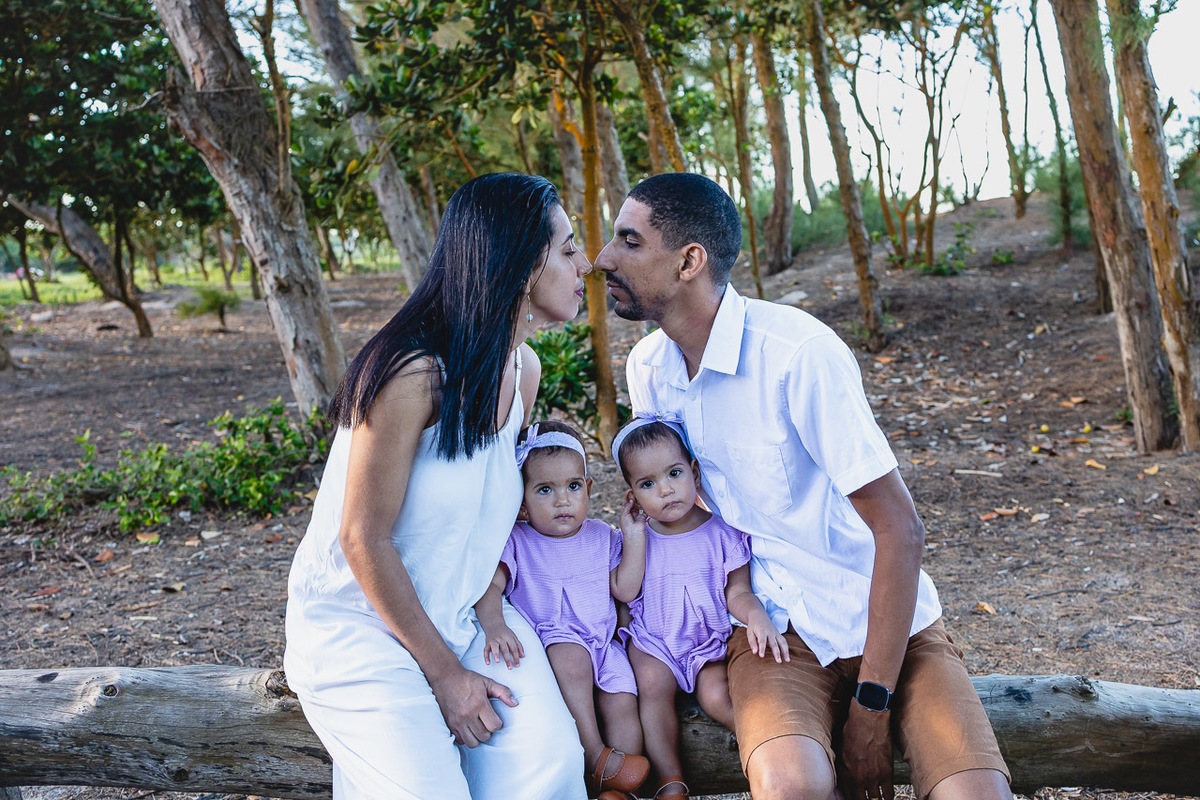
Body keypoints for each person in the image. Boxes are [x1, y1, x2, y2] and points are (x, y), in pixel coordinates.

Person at [594, 172, 1013, 800]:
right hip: (771, 629)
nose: (603, 258)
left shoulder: (797, 354)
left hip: (886, 621)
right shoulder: (649, 370)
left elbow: (899, 529)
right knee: (792, 787)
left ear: (688, 261)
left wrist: (872, 708)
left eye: (629, 241)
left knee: (976, 795)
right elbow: (673, 514)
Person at [284, 173, 593, 800]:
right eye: (567, 250)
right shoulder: (412, 373)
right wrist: (447, 676)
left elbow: (484, 515)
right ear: (520, 266)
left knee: (551, 764)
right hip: (362, 630)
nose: (584, 264)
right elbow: (361, 537)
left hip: (467, 617)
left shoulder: (522, 369)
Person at [610, 414, 788, 800]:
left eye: (674, 474)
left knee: (716, 694)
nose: (665, 490)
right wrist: (634, 537)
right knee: (652, 684)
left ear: (693, 471)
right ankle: (671, 780)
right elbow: (625, 590)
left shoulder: (722, 532)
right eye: (647, 484)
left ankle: (774, 749)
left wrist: (756, 615)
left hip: (707, 643)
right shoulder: (639, 538)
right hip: (655, 640)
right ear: (632, 495)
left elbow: (737, 593)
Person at [473, 420, 650, 798]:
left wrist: (633, 537)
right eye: (545, 489)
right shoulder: (518, 541)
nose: (562, 500)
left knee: (623, 700)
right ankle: (595, 756)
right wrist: (495, 625)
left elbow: (624, 587)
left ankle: (620, 788)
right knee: (571, 660)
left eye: (573, 486)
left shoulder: (601, 535)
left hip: (602, 645)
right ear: (522, 502)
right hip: (556, 644)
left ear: (589, 488)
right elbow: (491, 586)